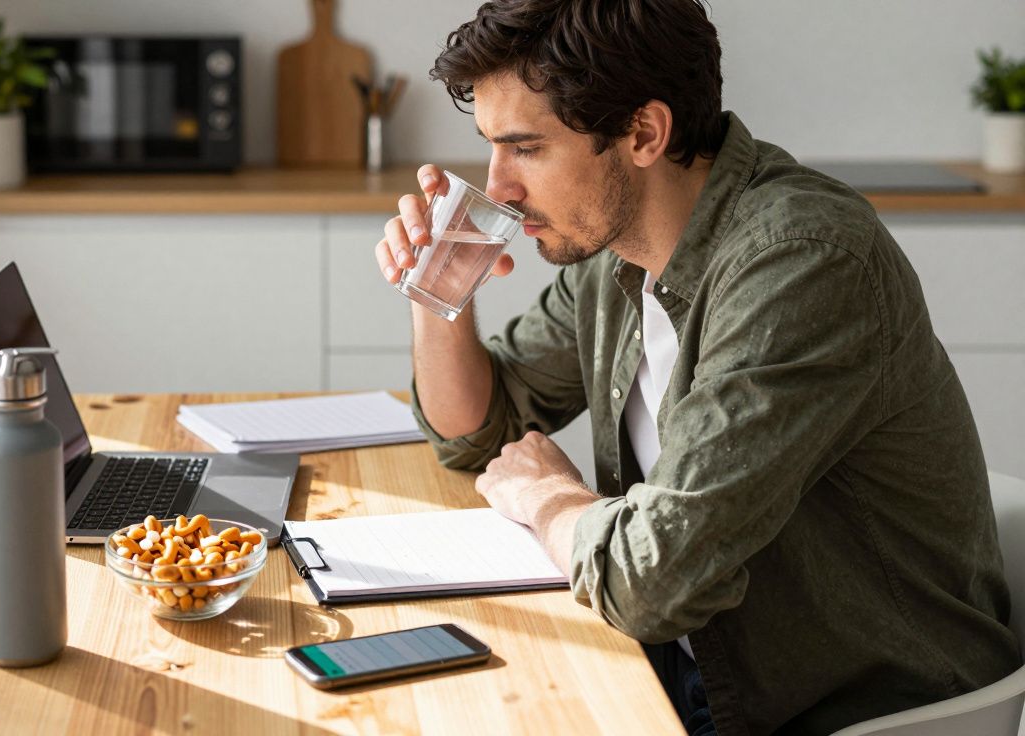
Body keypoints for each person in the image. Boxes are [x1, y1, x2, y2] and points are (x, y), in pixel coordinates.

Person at [375, 1, 1021, 734]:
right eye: (492, 147)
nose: (498, 187)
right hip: (685, 671)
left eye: (526, 148)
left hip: (839, 709)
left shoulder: (802, 262)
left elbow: (653, 581)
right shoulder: (614, 255)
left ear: (644, 133)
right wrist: (437, 291)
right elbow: (475, 432)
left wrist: (552, 497)